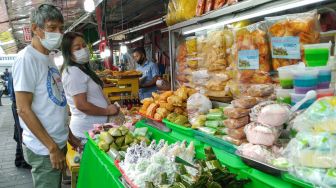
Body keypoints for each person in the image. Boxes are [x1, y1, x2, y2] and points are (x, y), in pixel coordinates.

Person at [12, 4, 81, 188]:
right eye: (52, 28)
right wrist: (51, 147)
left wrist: (68, 135)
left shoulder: (49, 59)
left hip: (56, 141)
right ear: (35, 28)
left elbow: (53, 102)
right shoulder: (26, 59)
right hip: (44, 149)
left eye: (61, 28)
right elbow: (23, 109)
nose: (58, 33)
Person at [60, 32, 119, 140]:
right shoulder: (73, 72)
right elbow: (81, 105)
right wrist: (107, 111)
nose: (83, 49)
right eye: (77, 48)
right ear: (68, 53)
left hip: (94, 130)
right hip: (85, 132)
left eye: (84, 46)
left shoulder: (82, 70)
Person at [8, 72, 31, 169]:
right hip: (19, 104)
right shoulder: (19, 72)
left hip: (16, 104)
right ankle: (22, 160)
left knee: (19, 131)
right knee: (22, 131)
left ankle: (19, 159)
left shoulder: (13, 72)